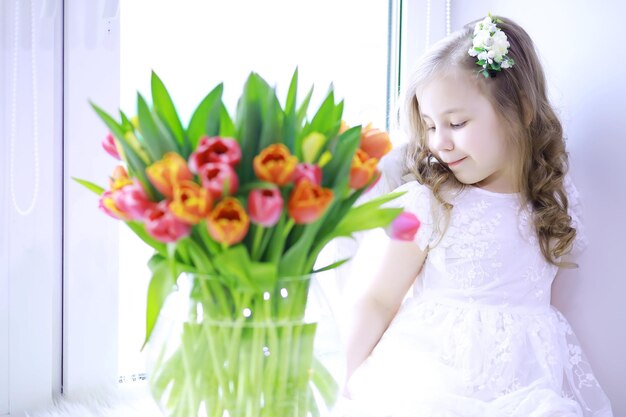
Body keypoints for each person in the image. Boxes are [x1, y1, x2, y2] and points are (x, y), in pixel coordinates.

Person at [339, 14, 613, 417]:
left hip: (524, 388)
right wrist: (349, 381)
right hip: (432, 379)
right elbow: (379, 298)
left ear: (520, 109)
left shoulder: (553, 198)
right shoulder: (433, 202)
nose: (439, 142)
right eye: (430, 126)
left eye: (456, 123)